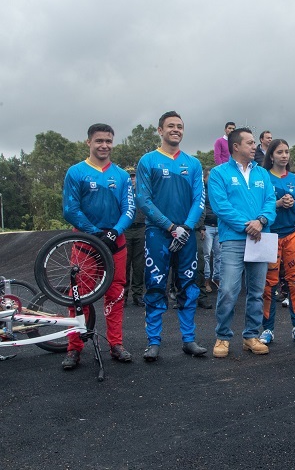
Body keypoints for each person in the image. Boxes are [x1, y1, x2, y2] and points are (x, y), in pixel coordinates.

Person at [61, 123, 135, 370]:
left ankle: (116, 344)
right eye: (99, 141)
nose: (104, 145)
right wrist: (95, 234)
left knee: (116, 295)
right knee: (79, 298)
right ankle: (74, 348)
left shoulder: (122, 176)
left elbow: (129, 210)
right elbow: (70, 210)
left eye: (108, 141)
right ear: (89, 143)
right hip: (85, 244)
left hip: (117, 244)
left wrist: (114, 232)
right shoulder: (76, 172)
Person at [135, 112, 207, 361]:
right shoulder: (148, 161)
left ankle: (189, 340)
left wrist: (185, 228)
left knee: (188, 286)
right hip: (158, 234)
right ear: (160, 130)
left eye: (180, 126)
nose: (176, 130)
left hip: (186, 235)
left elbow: (200, 199)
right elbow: (143, 199)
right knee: (155, 286)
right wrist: (169, 227)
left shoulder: (193, 163)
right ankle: (153, 341)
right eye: (171, 126)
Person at [208, 127, 277, 358]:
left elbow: (270, 201)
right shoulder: (219, 174)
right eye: (249, 143)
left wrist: (261, 221)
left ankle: (250, 336)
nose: (254, 146)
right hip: (233, 239)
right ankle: (223, 336)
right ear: (235, 146)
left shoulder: (262, 174)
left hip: (260, 238)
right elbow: (220, 206)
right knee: (228, 290)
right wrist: (248, 225)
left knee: (257, 291)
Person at [259, 139, 295, 345]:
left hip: (292, 235)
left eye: (287, 152)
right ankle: (267, 329)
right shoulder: (262, 177)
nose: (284, 155)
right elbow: (258, 207)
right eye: (279, 152)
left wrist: (293, 205)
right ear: (271, 155)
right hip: (269, 235)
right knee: (268, 284)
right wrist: (278, 204)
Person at [124, 167, 146, 307]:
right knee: (124, 265)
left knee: (139, 265)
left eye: (134, 176)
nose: (132, 179)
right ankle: (123, 295)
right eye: (130, 177)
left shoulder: (142, 192)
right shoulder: (122, 191)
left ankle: (137, 294)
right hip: (125, 230)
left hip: (140, 228)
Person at [200, 169, 221, 292]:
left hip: (219, 226)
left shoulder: (218, 189)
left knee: (219, 255)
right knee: (206, 254)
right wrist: (201, 226)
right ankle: (206, 280)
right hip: (207, 226)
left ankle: (216, 278)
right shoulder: (202, 191)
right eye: (210, 176)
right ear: (205, 178)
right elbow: (200, 209)